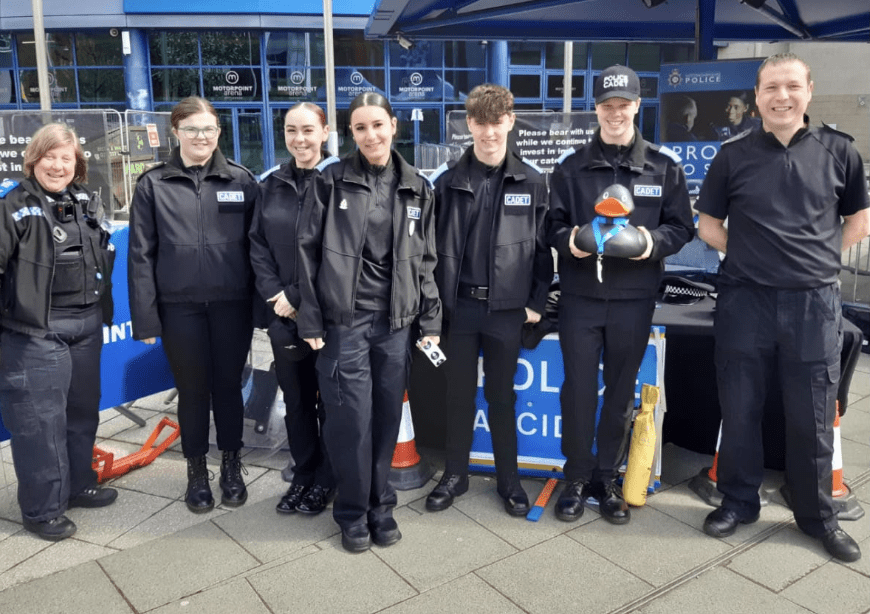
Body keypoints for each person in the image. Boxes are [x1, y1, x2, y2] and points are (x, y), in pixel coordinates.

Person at [696, 53, 869, 563]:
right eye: (771, 87)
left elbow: (859, 222)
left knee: (812, 416)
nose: (782, 96)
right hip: (744, 301)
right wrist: (752, 257)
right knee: (740, 408)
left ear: (809, 91)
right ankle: (738, 501)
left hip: (813, 305)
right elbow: (708, 225)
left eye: (792, 85)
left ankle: (818, 517)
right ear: (757, 97)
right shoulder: (732, 156)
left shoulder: (841, 151)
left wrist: (814, 260)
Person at [546, 65, 694, 524]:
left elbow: (681, 227)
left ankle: (607, 478)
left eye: (623, 105)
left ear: (637, 106)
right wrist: (570, 240)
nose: (615, 113)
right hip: (580, 298)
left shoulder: (663, 167)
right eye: (607, 105)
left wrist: (649, 243)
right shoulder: (571, 167)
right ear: (596, 109)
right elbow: (550, 225)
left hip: (634, 298)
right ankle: (575, 476)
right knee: (577, 390)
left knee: (619, 393)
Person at [297, 92, 441, 553]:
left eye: (378, 124)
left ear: (393, 125)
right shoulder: (331, 180)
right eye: (360, 127)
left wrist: (430, 321)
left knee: (385, 419)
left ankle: (382, 505)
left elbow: (426, 261)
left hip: (396, 324)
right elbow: (306, 252)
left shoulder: (417, 187)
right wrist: (311, 319)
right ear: (351, 133)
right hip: (346, 323)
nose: (371, 135)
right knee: (351, 421)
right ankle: (352, 512)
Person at [424, 84, 552, 516]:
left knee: (501, 397)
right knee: (457, 396)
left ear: (510, 121)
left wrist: (536, 303)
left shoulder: (533, 181)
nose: (489, 132)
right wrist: (435, 309)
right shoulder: (447, 182)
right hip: (459, 309)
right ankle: (454, 475)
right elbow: (428, 252)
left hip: (506, 312)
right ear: (469, 124)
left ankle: (509, 480)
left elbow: (543, 251)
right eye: (480, 123)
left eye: (497, 122)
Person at [128, 96, 258, 514]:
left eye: (208, 129)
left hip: (231, 304)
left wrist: (260, 308)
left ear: (218, 131)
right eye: (191, 129)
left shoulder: (241, 180)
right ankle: (197, 470)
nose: (201, 137)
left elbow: (257, 249)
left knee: (229, 387)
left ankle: (232, 465)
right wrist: (146, 318)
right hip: (178, 307)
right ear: (176, 132)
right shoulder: (153, 184)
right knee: (192, 390)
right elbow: (141, 255)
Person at [0, 122, 117, 541]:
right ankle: (42, 510)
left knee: (82, 412)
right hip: (36, 331)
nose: (57, 165)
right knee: (41, 424)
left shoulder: (83, 200)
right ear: (33, 160)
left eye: (66, 158)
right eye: (49, 156)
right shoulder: (12, 205)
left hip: (86, 324)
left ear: (76, 164)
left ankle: (78, 483)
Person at [250, 103, 336, 516]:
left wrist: (298, 293)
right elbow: (257, 245)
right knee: (296, 401)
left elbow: (340, 250)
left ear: (325, 132)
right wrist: (277, 296)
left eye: (308, 130)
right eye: (291, 130)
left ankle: (327, 479)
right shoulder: (270, 184)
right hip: (282, 313)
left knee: (332, 404)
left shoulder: (340, 181)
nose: (299, 139)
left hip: (329, 314)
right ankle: (303, 474)